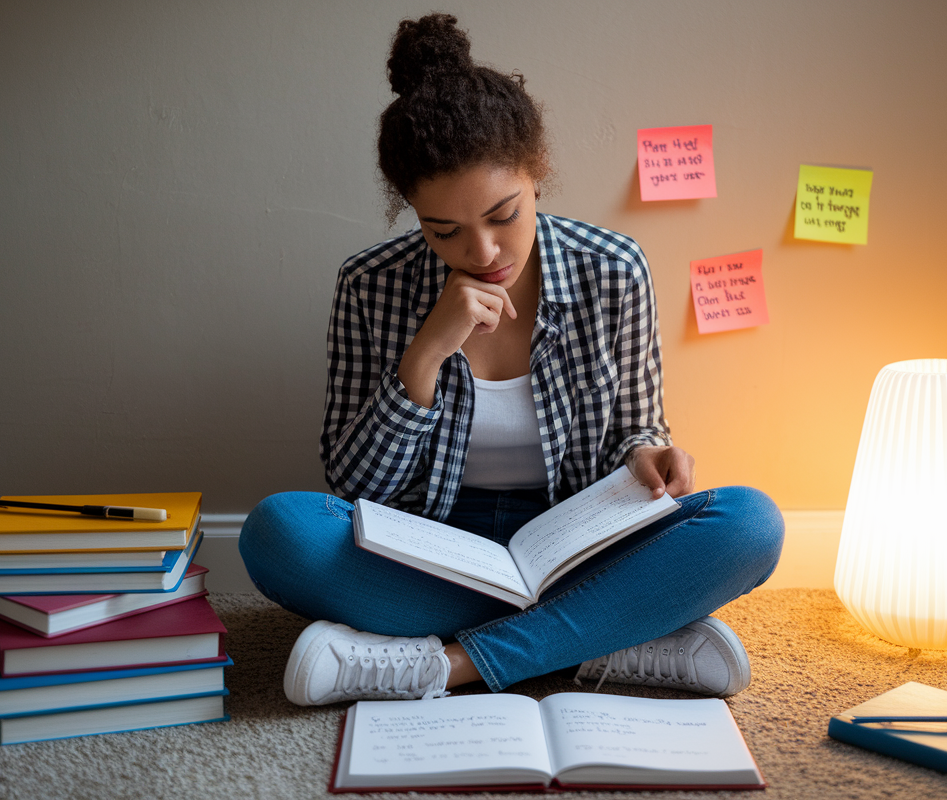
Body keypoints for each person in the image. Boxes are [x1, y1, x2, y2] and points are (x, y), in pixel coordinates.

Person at [238, 12, 784, 707]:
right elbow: (351, 482)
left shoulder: (613, 270)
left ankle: (449, 665)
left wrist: (649, 455)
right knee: (277, 533)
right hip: (432, 552)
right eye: (446, 231)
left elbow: (638, 430)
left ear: (537, 176)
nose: (484, 253)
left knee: (752, 524)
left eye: (504, 215)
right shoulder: (369, 284)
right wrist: (428, 352)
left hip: (575, 549)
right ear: (412, 212)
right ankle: (605, 636)